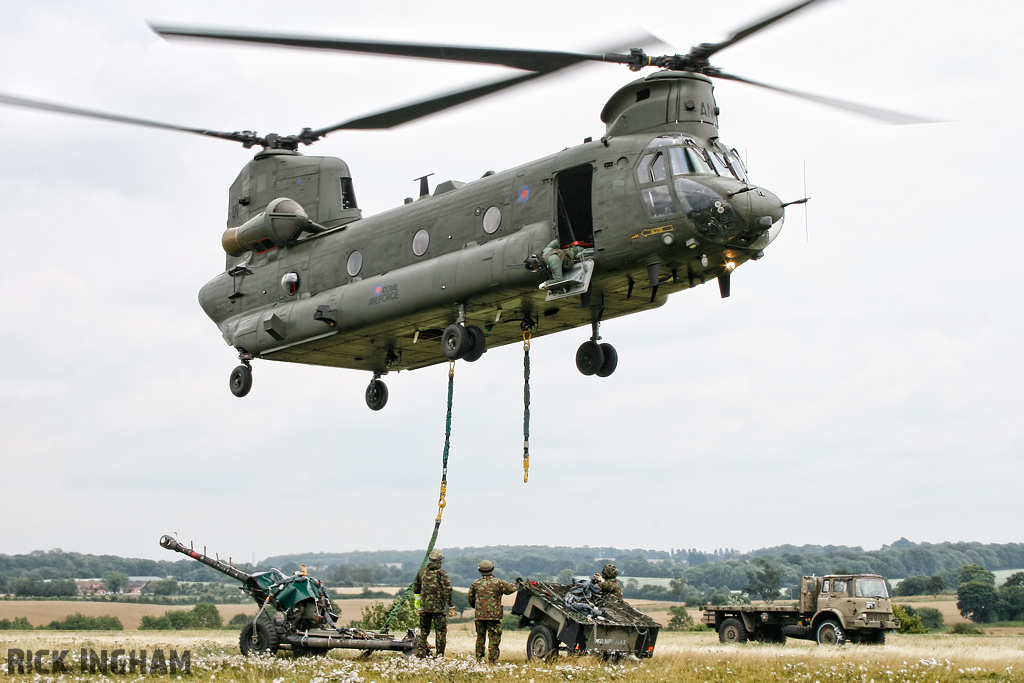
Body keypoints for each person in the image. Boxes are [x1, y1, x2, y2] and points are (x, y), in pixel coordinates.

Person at [467, 560, 519, 663]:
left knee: (480, 637)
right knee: (494, 638)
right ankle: (493, 659)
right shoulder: (498, 583)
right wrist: (516, 582)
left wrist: (478, 608)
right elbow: (510, 589)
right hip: (494, 617)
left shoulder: (476, 584)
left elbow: (470, 599)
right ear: (492, 569)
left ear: (480, 571)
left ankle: (479, 658)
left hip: (480, 616)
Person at [412, 549, 453, 657]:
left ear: (430, 559)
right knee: (440, 632)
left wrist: (418, 607)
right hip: (439, 609)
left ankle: (420, 654)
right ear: (441, 560)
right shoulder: (442, 573)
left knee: (424, 631)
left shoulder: (421, 573)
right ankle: (439, 655)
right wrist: (451, 605)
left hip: (424, 608)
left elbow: (416, 590)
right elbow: (447, 591)